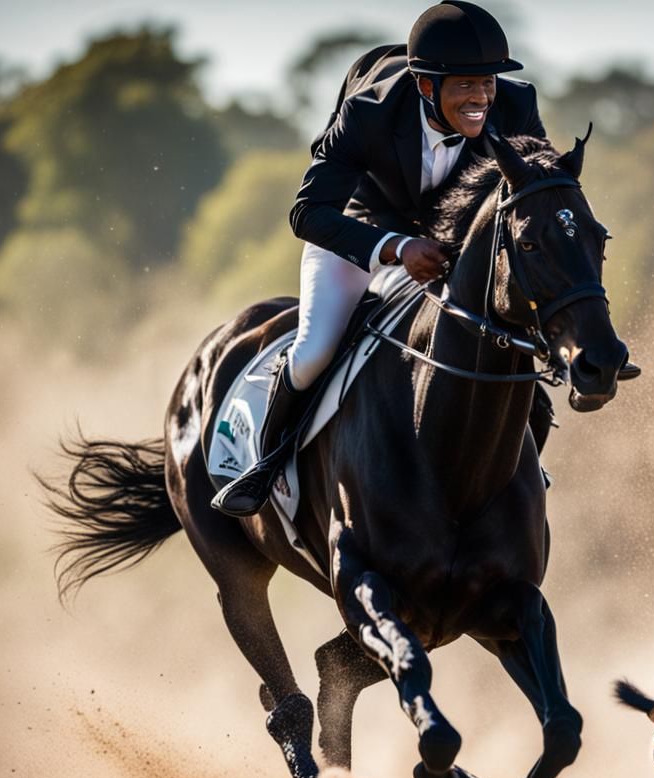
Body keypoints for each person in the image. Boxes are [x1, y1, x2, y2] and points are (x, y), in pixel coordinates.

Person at [213, 0, 547, 518]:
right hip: (361, 234)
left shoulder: (516, 104)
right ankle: (267, 463)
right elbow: (308, 213)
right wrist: (396, 248)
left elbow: (537, 194)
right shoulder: (368, 113)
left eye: (487, 83)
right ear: (426, 86)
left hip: (453, 247)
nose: (481, 98)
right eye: (465, 85)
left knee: (515, 352)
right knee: (315, 350)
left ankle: (519, 474)